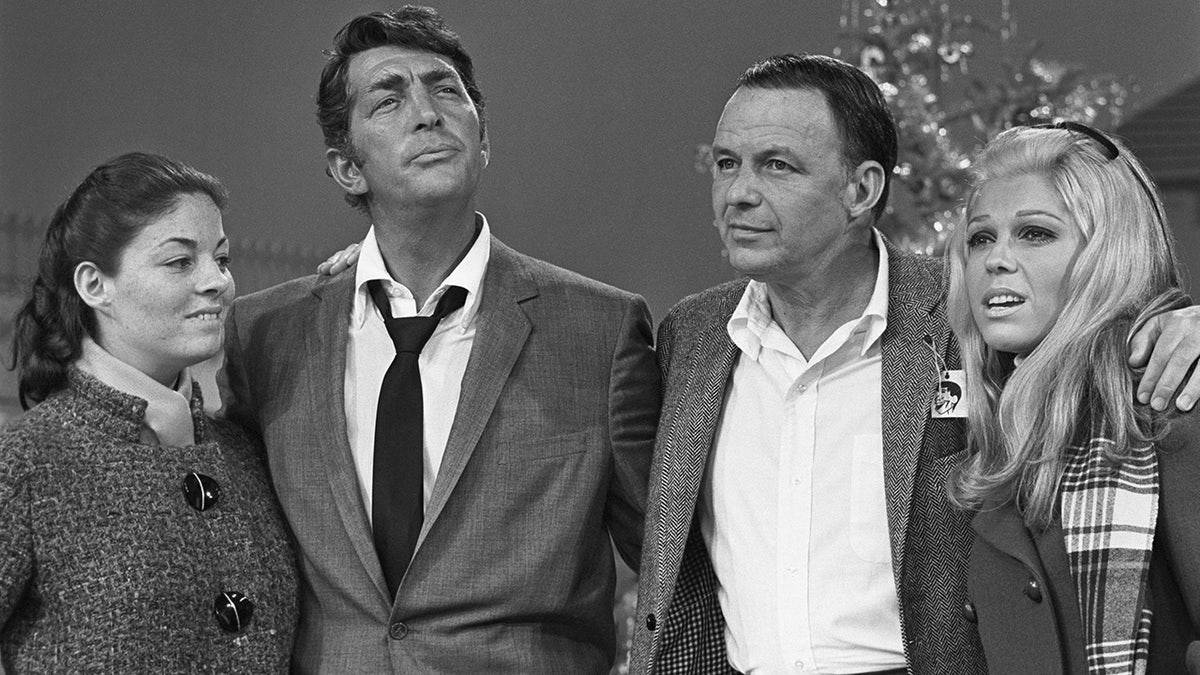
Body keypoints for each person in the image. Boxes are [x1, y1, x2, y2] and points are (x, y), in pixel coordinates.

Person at [628, 54, 1200, 675]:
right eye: (725, 164)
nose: (738, 193)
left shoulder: (969, 325)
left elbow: (1092, 342)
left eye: (777, 165)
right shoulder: (692, 336)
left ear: (861, 190)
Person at [217, 7, 660, 674]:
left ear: (483, 139)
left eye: (445, 89)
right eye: (389, 99)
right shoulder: (264, 335)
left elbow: (668, 556)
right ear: (346, 168)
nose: (427, 113)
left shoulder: (600, 330)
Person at [0, 152, 298, 673]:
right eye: (180, 261)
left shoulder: (245, 452)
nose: (218, 282)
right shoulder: (27, 462)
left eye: (221, 259)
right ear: (95, 285)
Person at [947, 123, 1200, 673]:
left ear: (1109, 253)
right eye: (980, 238)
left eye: (1035, 233)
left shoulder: (1173, 401)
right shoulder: (990, 422)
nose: (996, 259)